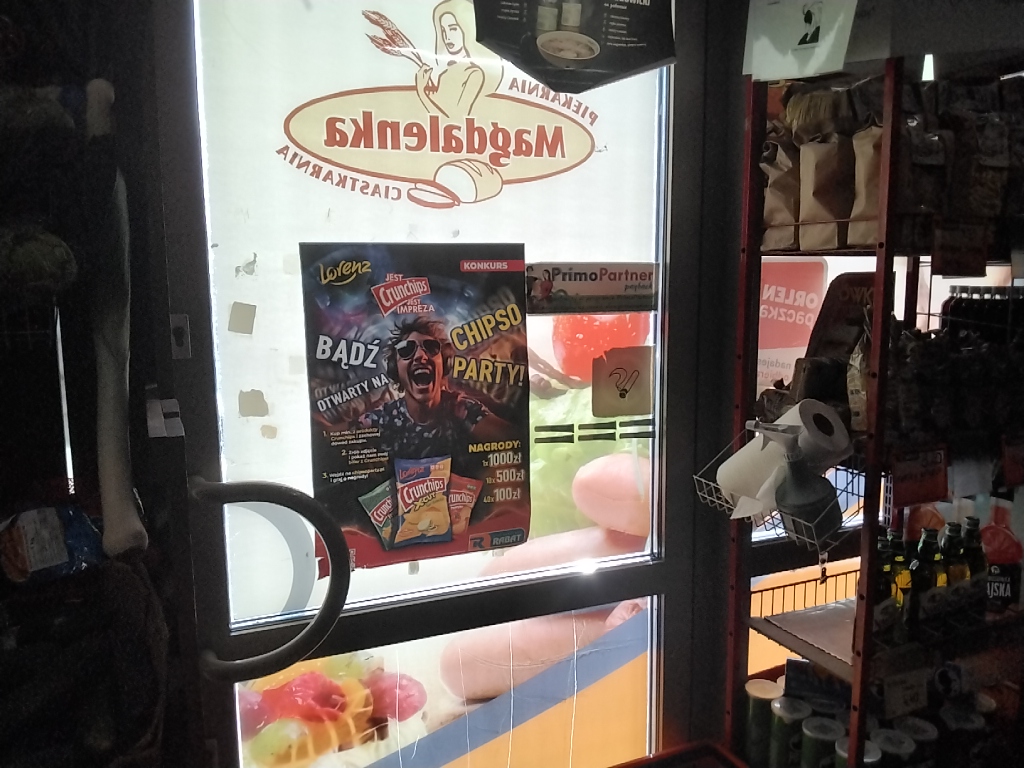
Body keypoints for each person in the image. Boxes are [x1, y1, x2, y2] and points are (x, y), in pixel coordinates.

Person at [355, 317, 509, 461]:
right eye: (406, 350)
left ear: (444, 364)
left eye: (431, 348)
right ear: (395, 369)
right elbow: (343, 446)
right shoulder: (382, 419)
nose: (420, 356)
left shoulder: (462, 409)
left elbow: (514, 441)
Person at [415, 1, 500, 118]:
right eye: (443, 31)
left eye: (453, 29)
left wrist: (421, 92)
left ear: (466, 29)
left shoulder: (474, 73)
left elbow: (454, 121)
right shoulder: (446, 72)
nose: (447, 37)